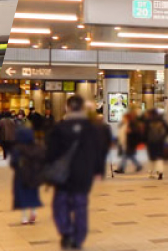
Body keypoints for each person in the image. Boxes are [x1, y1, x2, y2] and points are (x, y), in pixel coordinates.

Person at [44, 96, 109, 250]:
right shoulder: (92, 128)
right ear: (82, 108)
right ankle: (78, 238)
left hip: (63, 175)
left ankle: (66, 232)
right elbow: (99, 151)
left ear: (67, 108)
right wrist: (99, 170)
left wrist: (47, 170)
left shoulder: (59, 128)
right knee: (80, 206)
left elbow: (50, 152)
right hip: (84, 174)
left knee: (60, 205)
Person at [11, 115, 41, 225]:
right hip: (33, 175)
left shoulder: (18, 148)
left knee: (22, 195)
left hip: (21, 176)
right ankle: (33, 211)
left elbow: (13, 162)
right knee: (32, 194)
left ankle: (24, 217)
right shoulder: (35, 146)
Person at [143, 109, 168, 180]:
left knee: (152, 157)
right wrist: (163, 136)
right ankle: (160, 172)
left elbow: (145, 132)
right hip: (160, 141)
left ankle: (151, 173)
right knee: (159, 157)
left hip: (150, 141)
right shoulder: (161, 120)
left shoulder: (148, 121)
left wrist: (145, 140)